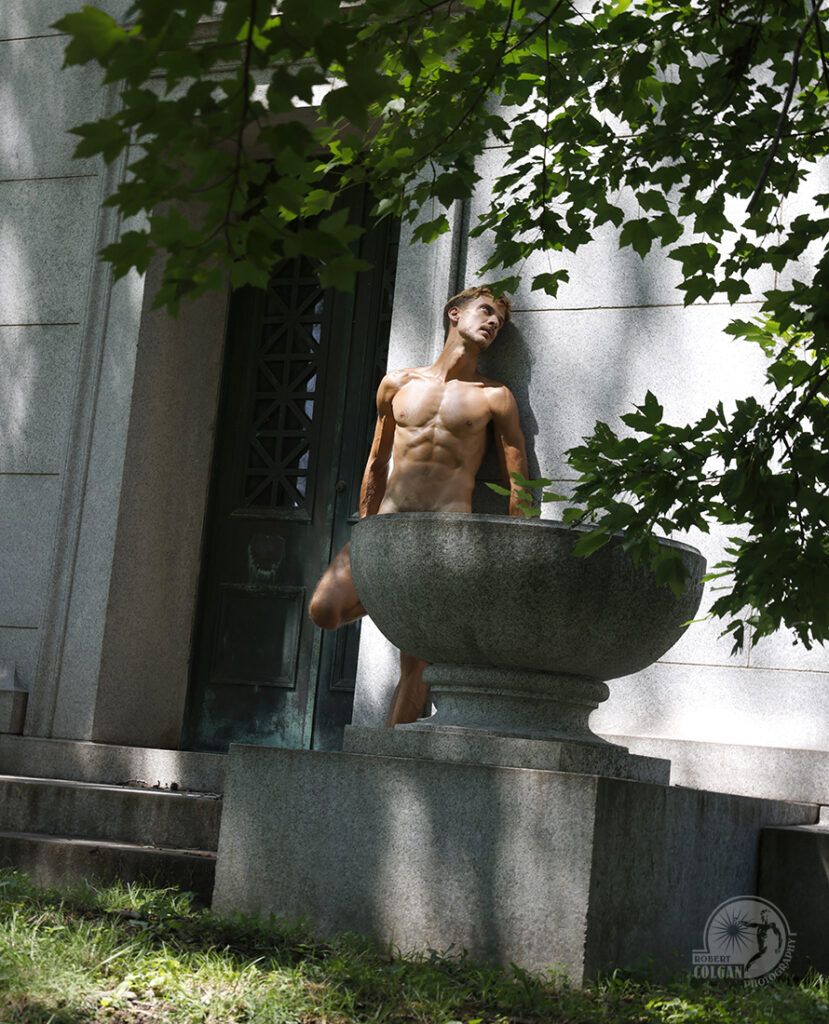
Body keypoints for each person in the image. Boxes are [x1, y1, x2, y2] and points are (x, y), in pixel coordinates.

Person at [309, 285, 530, 726]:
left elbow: (518, 481)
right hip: (387, 527)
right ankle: (396, 599)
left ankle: (390, 755)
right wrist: (364, 529)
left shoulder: (494, 396)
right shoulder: (397, 384)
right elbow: (376, 460)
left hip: (444, 540)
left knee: (417, 665)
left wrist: (512, 555)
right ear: (454, 313)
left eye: (499, 323)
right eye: (485, 312)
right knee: (324, 609)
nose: (491, 324)